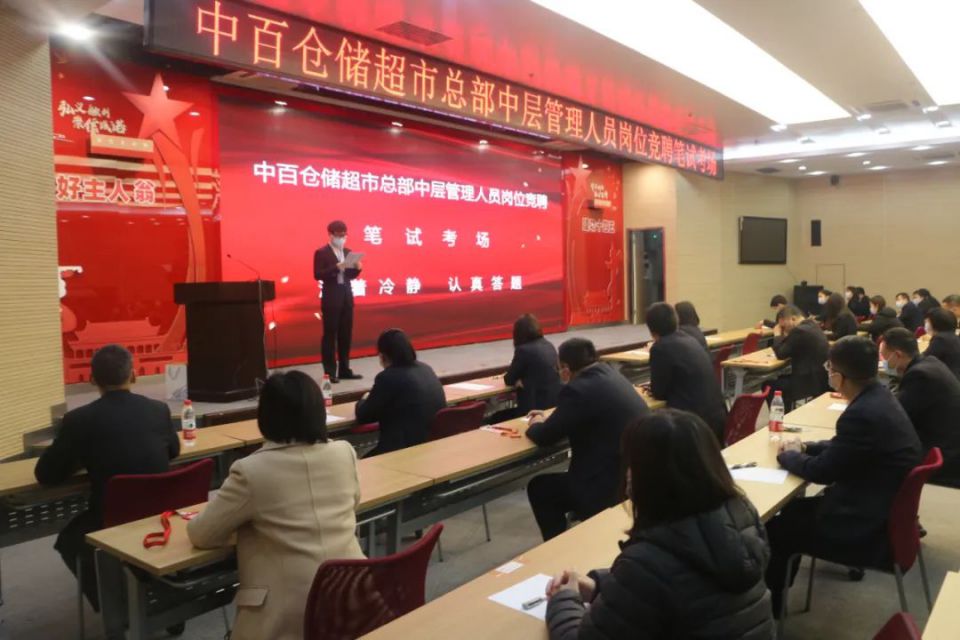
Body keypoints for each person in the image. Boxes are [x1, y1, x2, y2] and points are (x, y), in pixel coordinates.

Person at [544, 410, 774, 640]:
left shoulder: (647, 562)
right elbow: (684, 587)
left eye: (632, 464)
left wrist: (564, 600)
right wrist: (602, 585)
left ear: (649, 477)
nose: (627, 474)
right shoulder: (741, 518)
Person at [188, 371, 364, 640]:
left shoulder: (251, 471)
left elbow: (202, 534)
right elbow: (353, 503)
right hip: (352, 598)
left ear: (265, 417)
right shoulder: (344, 453)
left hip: (286, 615)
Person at [765, 336, 922, 616]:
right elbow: (846, 448)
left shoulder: (861, 413)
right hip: (881, 509)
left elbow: (823, 472)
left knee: (776, 527)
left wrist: (787, 456)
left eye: (829, 367)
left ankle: (772, 609)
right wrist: (806, 447)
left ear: (838, 376)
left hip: (862, 524)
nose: (828, 372)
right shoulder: (880, 397)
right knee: (793, 511)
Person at [34, 345, 180, 610]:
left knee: (69, 541)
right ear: (133, 375)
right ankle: (161, 600)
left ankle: (116, 609)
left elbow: (46, 474)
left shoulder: (78, 420)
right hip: (161, 515)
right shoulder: (159, 410)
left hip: (110, 519)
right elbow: (173, 451)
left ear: (92, 380)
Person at [525, 338, 649, 540]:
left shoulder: (577, 389)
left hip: (603, 484)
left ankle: (557, 545)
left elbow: (545, 436)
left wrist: (536, 422)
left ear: (566, 369)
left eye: (558, 368)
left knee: (539, 488)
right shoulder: (611, 374)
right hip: (633, 474)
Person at [881, 328, 960, 487]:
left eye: (884, 356)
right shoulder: (930, 362)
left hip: (943, 454)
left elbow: (895, 418)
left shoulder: (920, 375)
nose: (884, 362)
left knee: (875, 456)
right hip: (947, 444)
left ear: (897, 355)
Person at [355, 329, 445, 456]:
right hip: (431, 447)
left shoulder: (387, 377)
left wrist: (363, 400)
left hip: (402, 451)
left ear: (382, 356)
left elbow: (364, 416)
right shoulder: (426, 369)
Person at [646, 303, 727, 442]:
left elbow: (659, 392)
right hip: (718, 419)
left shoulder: (660, 348)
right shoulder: (690, 339)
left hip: (694, 426)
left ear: (651, 329)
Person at [314, 220, 363, 383]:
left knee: (345, 335)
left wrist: (357, 269)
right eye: (339, 235)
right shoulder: (322, 252)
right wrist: (337, 267)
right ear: (330, 234)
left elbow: (349, 276)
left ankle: (344, 370)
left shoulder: (348, 252)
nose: (342, 238)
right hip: (331, 299)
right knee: (330, 336)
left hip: (346, 297)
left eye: (344, 235)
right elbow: (318, 274)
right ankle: (329, 372)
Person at [498, 314, 562, 420]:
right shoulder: (548, 344)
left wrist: (519, 380)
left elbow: (508, 379)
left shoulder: (523, 350)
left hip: (532, 409)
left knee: (495, 417)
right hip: (553, 404)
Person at [768, 305, 830, 410]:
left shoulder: (799, 331)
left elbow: (781, 354)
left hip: (807, 382)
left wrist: (777, 335)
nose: (783, 329)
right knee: (780, 378)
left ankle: (781, 415)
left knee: (769, 385)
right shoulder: (812, 325)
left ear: (792, 319)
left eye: (783, 326)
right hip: (819, 378)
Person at [923, 307, 960, 379]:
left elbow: (925, 359)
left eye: (927, 322)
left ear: (935, 323)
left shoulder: (940, 339)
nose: (925, 324)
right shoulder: (952, 336)